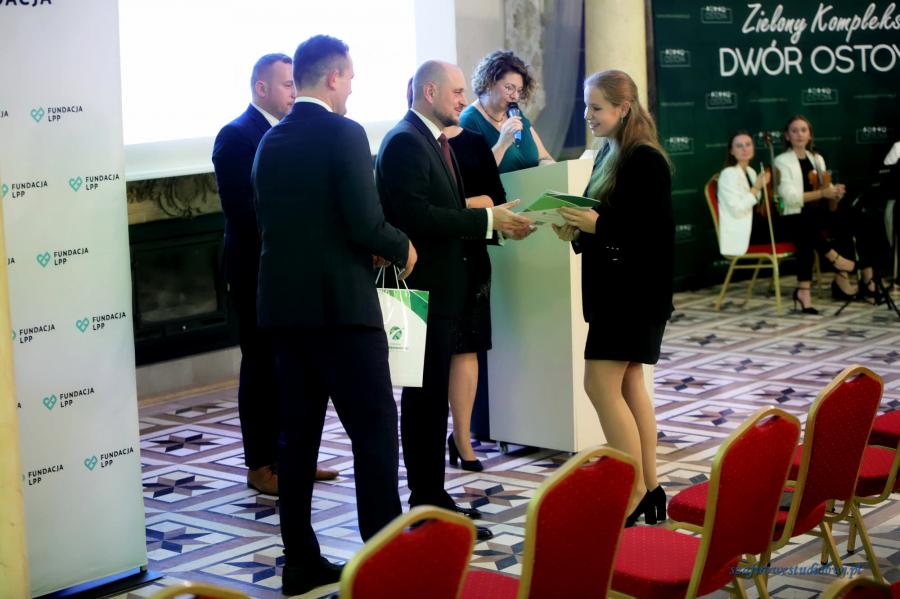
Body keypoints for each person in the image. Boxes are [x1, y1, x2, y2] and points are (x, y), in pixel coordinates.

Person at [253, 35, 416, 595]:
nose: (351, 90)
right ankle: (383, 562)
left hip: (285, 315)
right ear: (333, 78)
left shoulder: (270, 141)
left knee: (296, 442)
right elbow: (365, 222)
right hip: (343, 315)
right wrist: (400, 246)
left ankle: (299, 562)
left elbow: (282, 225)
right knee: (375, 436)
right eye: (349, 79)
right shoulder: (345, 133)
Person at [376, 60, 531, 542]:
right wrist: (486, 221)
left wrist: (494, 221)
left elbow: (442, 209)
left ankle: (433, 497)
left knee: (429, 402)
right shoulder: (405, 141)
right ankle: (425, 501)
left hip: (442, 289)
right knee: (422, 404)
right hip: (420, 291)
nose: (464, 100)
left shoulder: (432, 139)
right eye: (457, 91)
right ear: (430, 92)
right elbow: (416, 218)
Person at [211, 53, 337, 495]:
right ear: (261, 88)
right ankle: (261, 464)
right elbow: (243, 210)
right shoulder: (236, 135)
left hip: (295, 271)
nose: (295, 93)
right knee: (262, 368)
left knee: (296, 368)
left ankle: (295, 459)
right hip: (255, 272)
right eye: (287, 85)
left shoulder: (293, 131)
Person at [553, 70, 673, 526]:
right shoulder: (610, 151)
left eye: (596, 107)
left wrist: (595, 225)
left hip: (634, 294)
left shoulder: (645, 159)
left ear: (623, 109)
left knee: (599, 385)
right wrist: (576, 229)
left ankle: (635, 489)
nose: (588, 115)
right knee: (628, 384)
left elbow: (650, 235)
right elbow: (602, 216)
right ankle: (652, 486)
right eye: (586, 106)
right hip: (619, 291)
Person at [774, 115, 857, 312]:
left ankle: (836, 280)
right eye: (794, 131)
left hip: (814, 215)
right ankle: (834, 259)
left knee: (845, 217)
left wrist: (835, 193)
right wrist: (822, 193)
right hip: (791, 216)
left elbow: (825, 189)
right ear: (787, 136)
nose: (799, 134)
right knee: (804, 226)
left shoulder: (817, 159)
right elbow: (789, 198)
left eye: (803, 130)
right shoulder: (782, 161)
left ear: (810, 135)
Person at [460, 50, 554, 173]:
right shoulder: (468, 121)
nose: (515, 96)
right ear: (489, 83)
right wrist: (502, 143)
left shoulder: (515, 112)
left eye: (519, 90)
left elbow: (544, 157)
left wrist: (549, 167)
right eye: (509, 88)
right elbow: (475, 176)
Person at [716, 131, 773, 256]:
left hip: (756, 224)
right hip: (743, 232)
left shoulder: (751, 171)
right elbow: (737, 210)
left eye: (748, 144)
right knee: (798, 224)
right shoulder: (728, 174)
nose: (744, 149)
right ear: (731, 151)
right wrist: (756, 187)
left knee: (799, 222)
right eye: (739, 146)